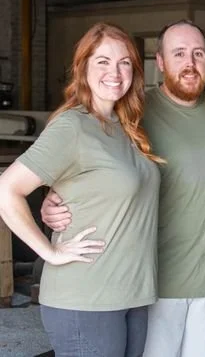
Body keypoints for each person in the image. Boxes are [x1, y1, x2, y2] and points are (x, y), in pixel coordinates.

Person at [41, 20, 205, 357]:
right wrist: (52, 199)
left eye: (198, 53)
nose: (190, 62)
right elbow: (89, 154)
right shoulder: (133, 108)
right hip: (152, 282)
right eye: (179, 53)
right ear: (159, 62)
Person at [0, 22, 161, 357]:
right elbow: (7, 189)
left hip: (132, 294)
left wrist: (51, 199)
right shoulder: (72, 126)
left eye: (124, 62)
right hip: (86, 298)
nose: (114, 72)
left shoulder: (127, 127)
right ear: (83, 67)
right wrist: (49, 251)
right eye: (102, 61)